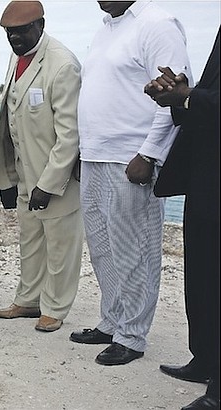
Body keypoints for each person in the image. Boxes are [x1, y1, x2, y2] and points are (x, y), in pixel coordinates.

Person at [72, 1, 191, 366]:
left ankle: (133, 336)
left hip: (131, 156)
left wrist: (151, 153)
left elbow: (175, 94)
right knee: (103, 247)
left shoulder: (157, 24)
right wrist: (83, 149)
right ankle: (112, 321)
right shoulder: (106, 27)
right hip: (95, 154)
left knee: (135, 249)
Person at [0, 1, 83, 333]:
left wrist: (49, 182)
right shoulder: (18, 58)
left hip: (54, 175)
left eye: (21, 32)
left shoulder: (62, 64)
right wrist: (8, 175)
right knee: (30, 240)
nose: (14, 39)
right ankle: (28, 300)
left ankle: (55, 307)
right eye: (9, 33)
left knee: (60, 244)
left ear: (40, 26)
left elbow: (69, 134)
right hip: (23, 171)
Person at [145, 28, 220, 410]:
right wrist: (180, 95)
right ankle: (206, 359)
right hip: (206, 172)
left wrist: (188, 96)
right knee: (203, 271)